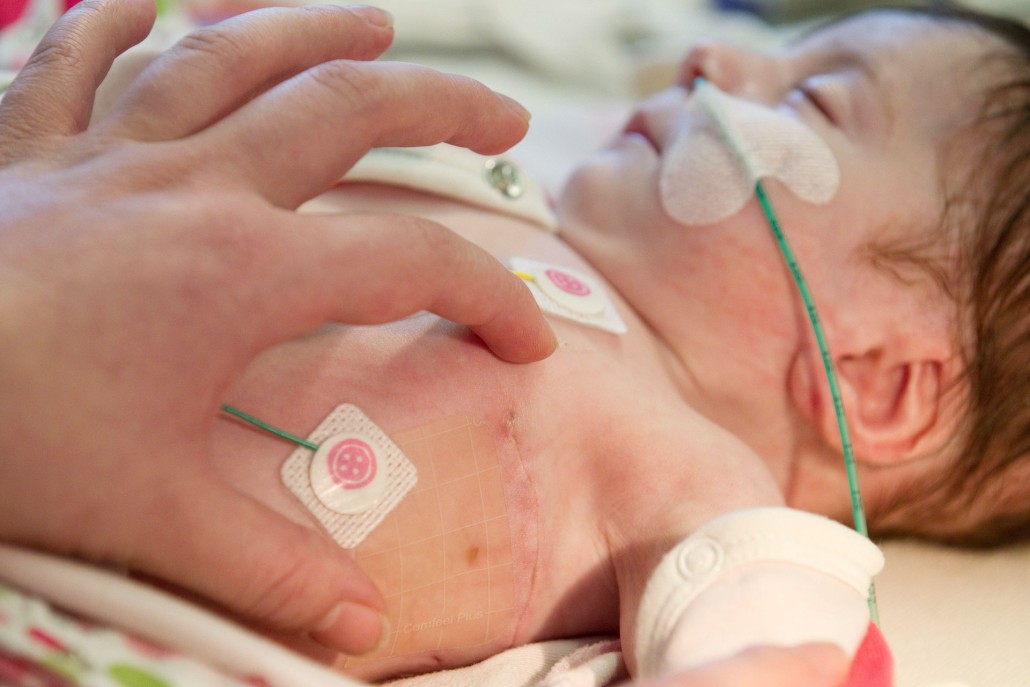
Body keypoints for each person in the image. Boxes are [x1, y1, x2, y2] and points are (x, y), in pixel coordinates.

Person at [0, 1, 1027, 686]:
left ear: (882, 382)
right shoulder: (500, 184)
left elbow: (773, 650)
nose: (706, 56)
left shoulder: (691, 479)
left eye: (812, 98)